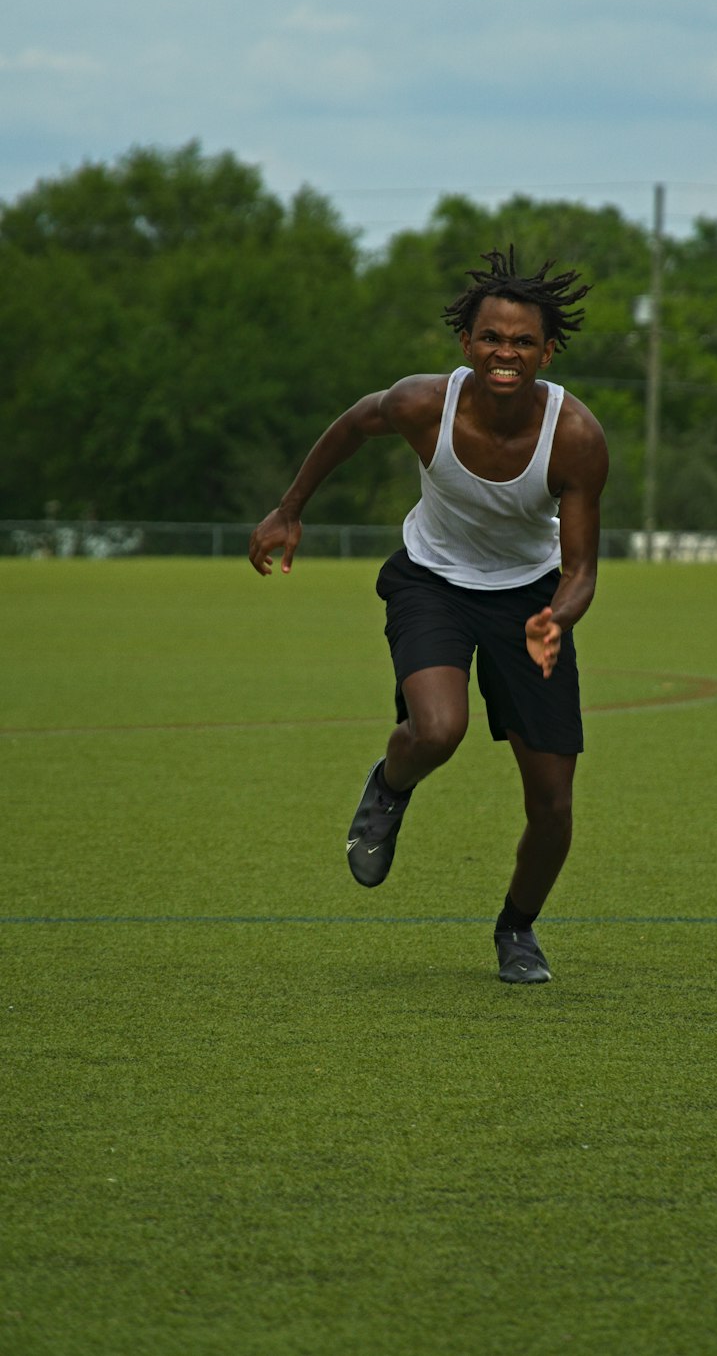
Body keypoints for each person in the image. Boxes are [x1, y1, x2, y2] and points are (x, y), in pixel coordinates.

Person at [248, 247, 609, 983]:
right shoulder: (423, 404)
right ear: (467, 343)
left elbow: (581, 571)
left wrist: (556, 619)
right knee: (439, 729)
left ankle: (517, 930)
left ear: (547, 349)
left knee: (553, 805)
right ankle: (391, 784)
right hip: (432, 583)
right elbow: (352, 425)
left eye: (521, 341)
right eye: (491, 338)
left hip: (529, 598)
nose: (505, 353)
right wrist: (289, 510)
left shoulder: (574, 436)